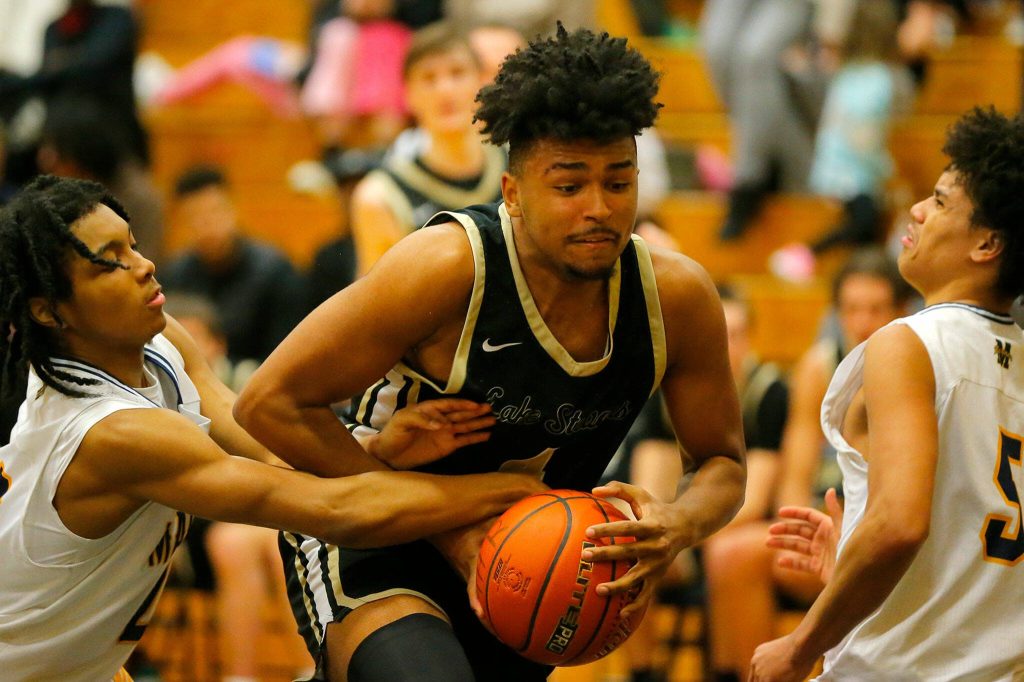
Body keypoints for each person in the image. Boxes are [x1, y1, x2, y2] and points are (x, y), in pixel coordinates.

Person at [234, 25, 747, 682]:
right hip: (375, 531)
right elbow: (267, 403)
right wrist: (444, 527)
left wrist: (677, 523)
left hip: (527, 562)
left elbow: (722, 461)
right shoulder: (446, 268)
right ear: (511, 192)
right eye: (569, 187)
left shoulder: (676, 299)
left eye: (619, 184)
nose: (599, 209)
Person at [0, 175, 545, 682]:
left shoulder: (160, 343)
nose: (143, 266)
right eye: (108, 263)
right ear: (49, 312)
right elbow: (337, 513)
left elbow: (269, 451)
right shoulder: (112, 435)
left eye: (133, 245)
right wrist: (516, 491)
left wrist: (372, 448)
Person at [750, 106, 1024, 681]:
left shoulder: (906, 343)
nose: (918, 211)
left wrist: (801, 646)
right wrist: (852, 563)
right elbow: (973, 556)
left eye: (943, 201)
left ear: (987, 244)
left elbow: (899, 525)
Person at [706, 248, 910, 682]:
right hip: (828, 525)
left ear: (901, 310)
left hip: (884, 541)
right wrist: (810, 530)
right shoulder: (818, 367)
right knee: (729, 553)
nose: (863, 321)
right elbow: (794, 482)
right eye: (852, 309)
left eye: (876, 309)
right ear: (837, 313)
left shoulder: (915, 369)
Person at [350, 22, 505, 275]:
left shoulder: (518, 166)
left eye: (457, 73)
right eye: (428, 78)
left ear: (480, 84)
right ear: (408, 95)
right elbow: (378, 308)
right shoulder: (380, 198)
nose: (444, 89)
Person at [161, 165, 306, 363]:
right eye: (194, 217)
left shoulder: (275, 271)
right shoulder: (174, 276)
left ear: (232, 209)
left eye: (214, 211)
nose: (207, 224)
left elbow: (289, 351)